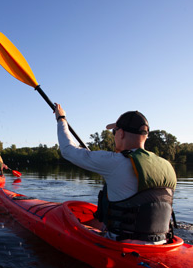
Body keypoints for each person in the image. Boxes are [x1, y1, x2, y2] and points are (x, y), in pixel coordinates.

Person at [54, 104, 177, 245]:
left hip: (121, 245)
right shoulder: (167, 165)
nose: (114, 136)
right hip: (163, 244)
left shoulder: (116, 161)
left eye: (114, 132)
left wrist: (61, 118)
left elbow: (68, 150)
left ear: (121, 133)